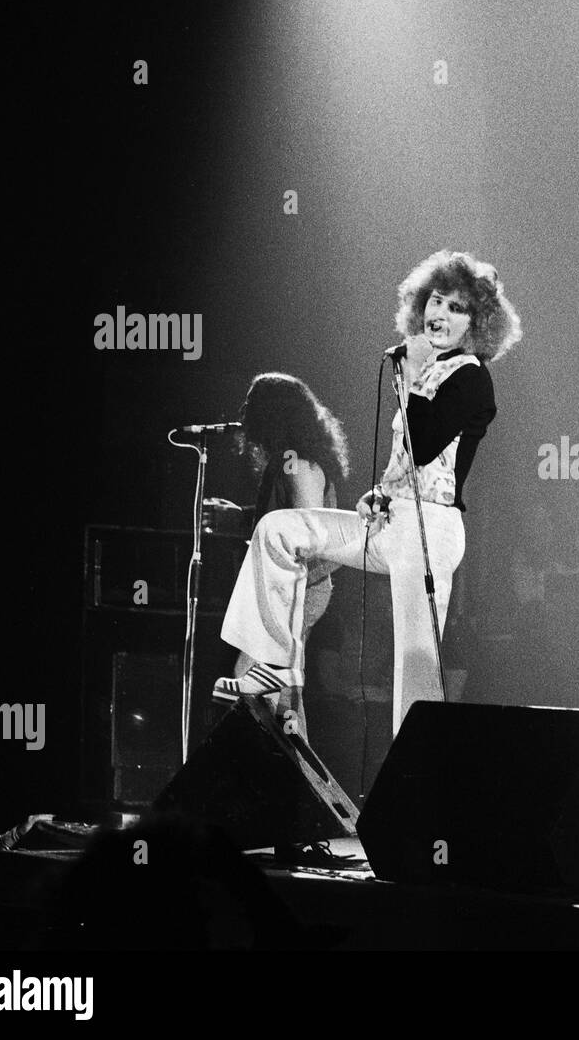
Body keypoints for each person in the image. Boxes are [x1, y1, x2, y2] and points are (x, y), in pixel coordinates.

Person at [216, 251, 521, 734]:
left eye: (457, 308)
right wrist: (379, 492)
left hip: (431, 530)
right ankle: (274, 666)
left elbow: (423, 444)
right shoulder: (429, 371)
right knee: (278, 530)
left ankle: (415, 783)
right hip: (391, 521)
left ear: (477, 323)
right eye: (436, 301)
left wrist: (416, 373)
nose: (439, 314)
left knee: (416, 673)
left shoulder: (472, 376)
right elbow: (405, 462)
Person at [214, 372, 350, 740]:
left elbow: (308, 534)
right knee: (279, 695)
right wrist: (240, 516)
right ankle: (295, 782)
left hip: (297, 590)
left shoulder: (301, 466)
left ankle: (272, 775)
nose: (244, 412)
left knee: (253, 681)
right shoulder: (287, 463)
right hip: (287, 589)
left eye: (251, 404)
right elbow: (284, 521)